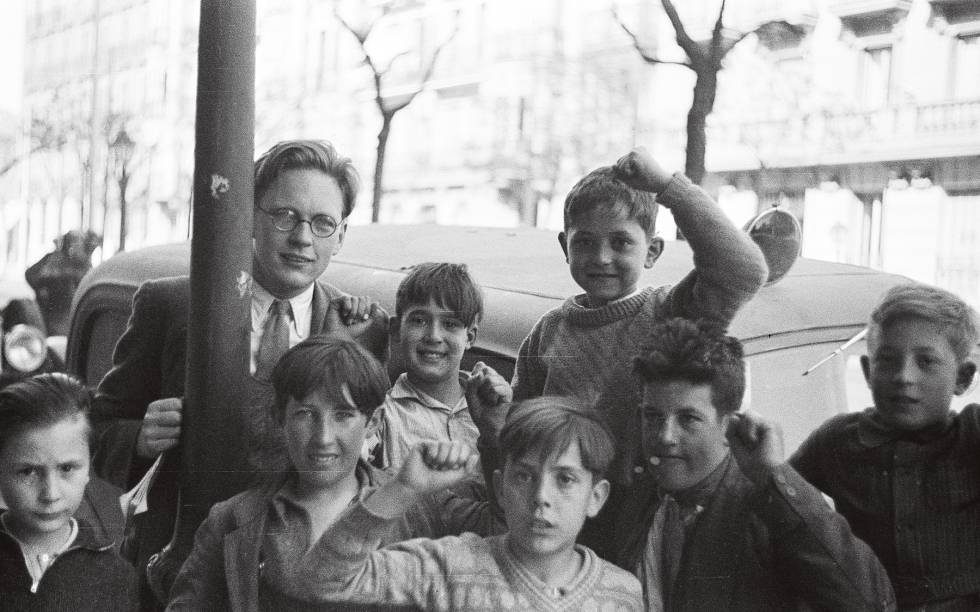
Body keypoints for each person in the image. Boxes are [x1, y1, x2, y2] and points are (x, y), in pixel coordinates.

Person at [90, 139, 389, 606]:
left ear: (342, 234)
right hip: (180, 573)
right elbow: (93, 430)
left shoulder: (363, 331)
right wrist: (139, 438)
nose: (302, 238)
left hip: (303, 579)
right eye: (285, 215)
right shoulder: (170, 306)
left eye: (322, 223)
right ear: (249, 215)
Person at [166, 336, 499, 611]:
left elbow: (511, 533)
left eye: (343, 415)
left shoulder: (419, 500)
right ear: (279, 417)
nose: (323, 437)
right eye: (306, 414)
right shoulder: (234, 520)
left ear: (373, 421)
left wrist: (495, 434)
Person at [510, 147, 767, 491]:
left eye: (620, 243)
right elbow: (520, 430)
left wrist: (666, 186)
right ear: (564, 246)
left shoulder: (671, 314)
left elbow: (743, 271)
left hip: (642, 517)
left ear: (652, 251)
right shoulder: (548, 331)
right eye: (585, 242)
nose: (601, 258)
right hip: (562, 512)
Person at [618, 317, 895, 611]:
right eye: (652, 416)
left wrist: (774, 477)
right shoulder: (637, 498)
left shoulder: (771, 509)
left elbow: (870, 602)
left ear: (731, 423)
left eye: (688, 419)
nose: (665, 437)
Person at [286, 395, 643, 612]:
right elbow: (320, 581)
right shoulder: (448, 566)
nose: (541, 498)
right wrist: (404, 489)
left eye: (565, 479)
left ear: (596, 498)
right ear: (500, 489)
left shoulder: (623, 593)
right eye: (524, 476)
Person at [791, 283, 980, 611]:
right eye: (887, 361)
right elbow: (777, 503)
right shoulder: (838, 440)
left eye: (926, 361)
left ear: (962, 378)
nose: (903, 376)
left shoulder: (970, 435)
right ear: (867, 371)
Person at [0, 373, 137, 611]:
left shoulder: (115, 576)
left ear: (88, 467)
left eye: (66, 468)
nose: (50, 494)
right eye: (28, 471)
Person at [370, 261, 507, 474]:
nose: (434, 336)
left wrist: (495, 429)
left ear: (469, 337)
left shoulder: (494, 407)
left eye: (450, 324)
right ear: (397, 330)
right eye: (419, 321)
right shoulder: (383, 415)